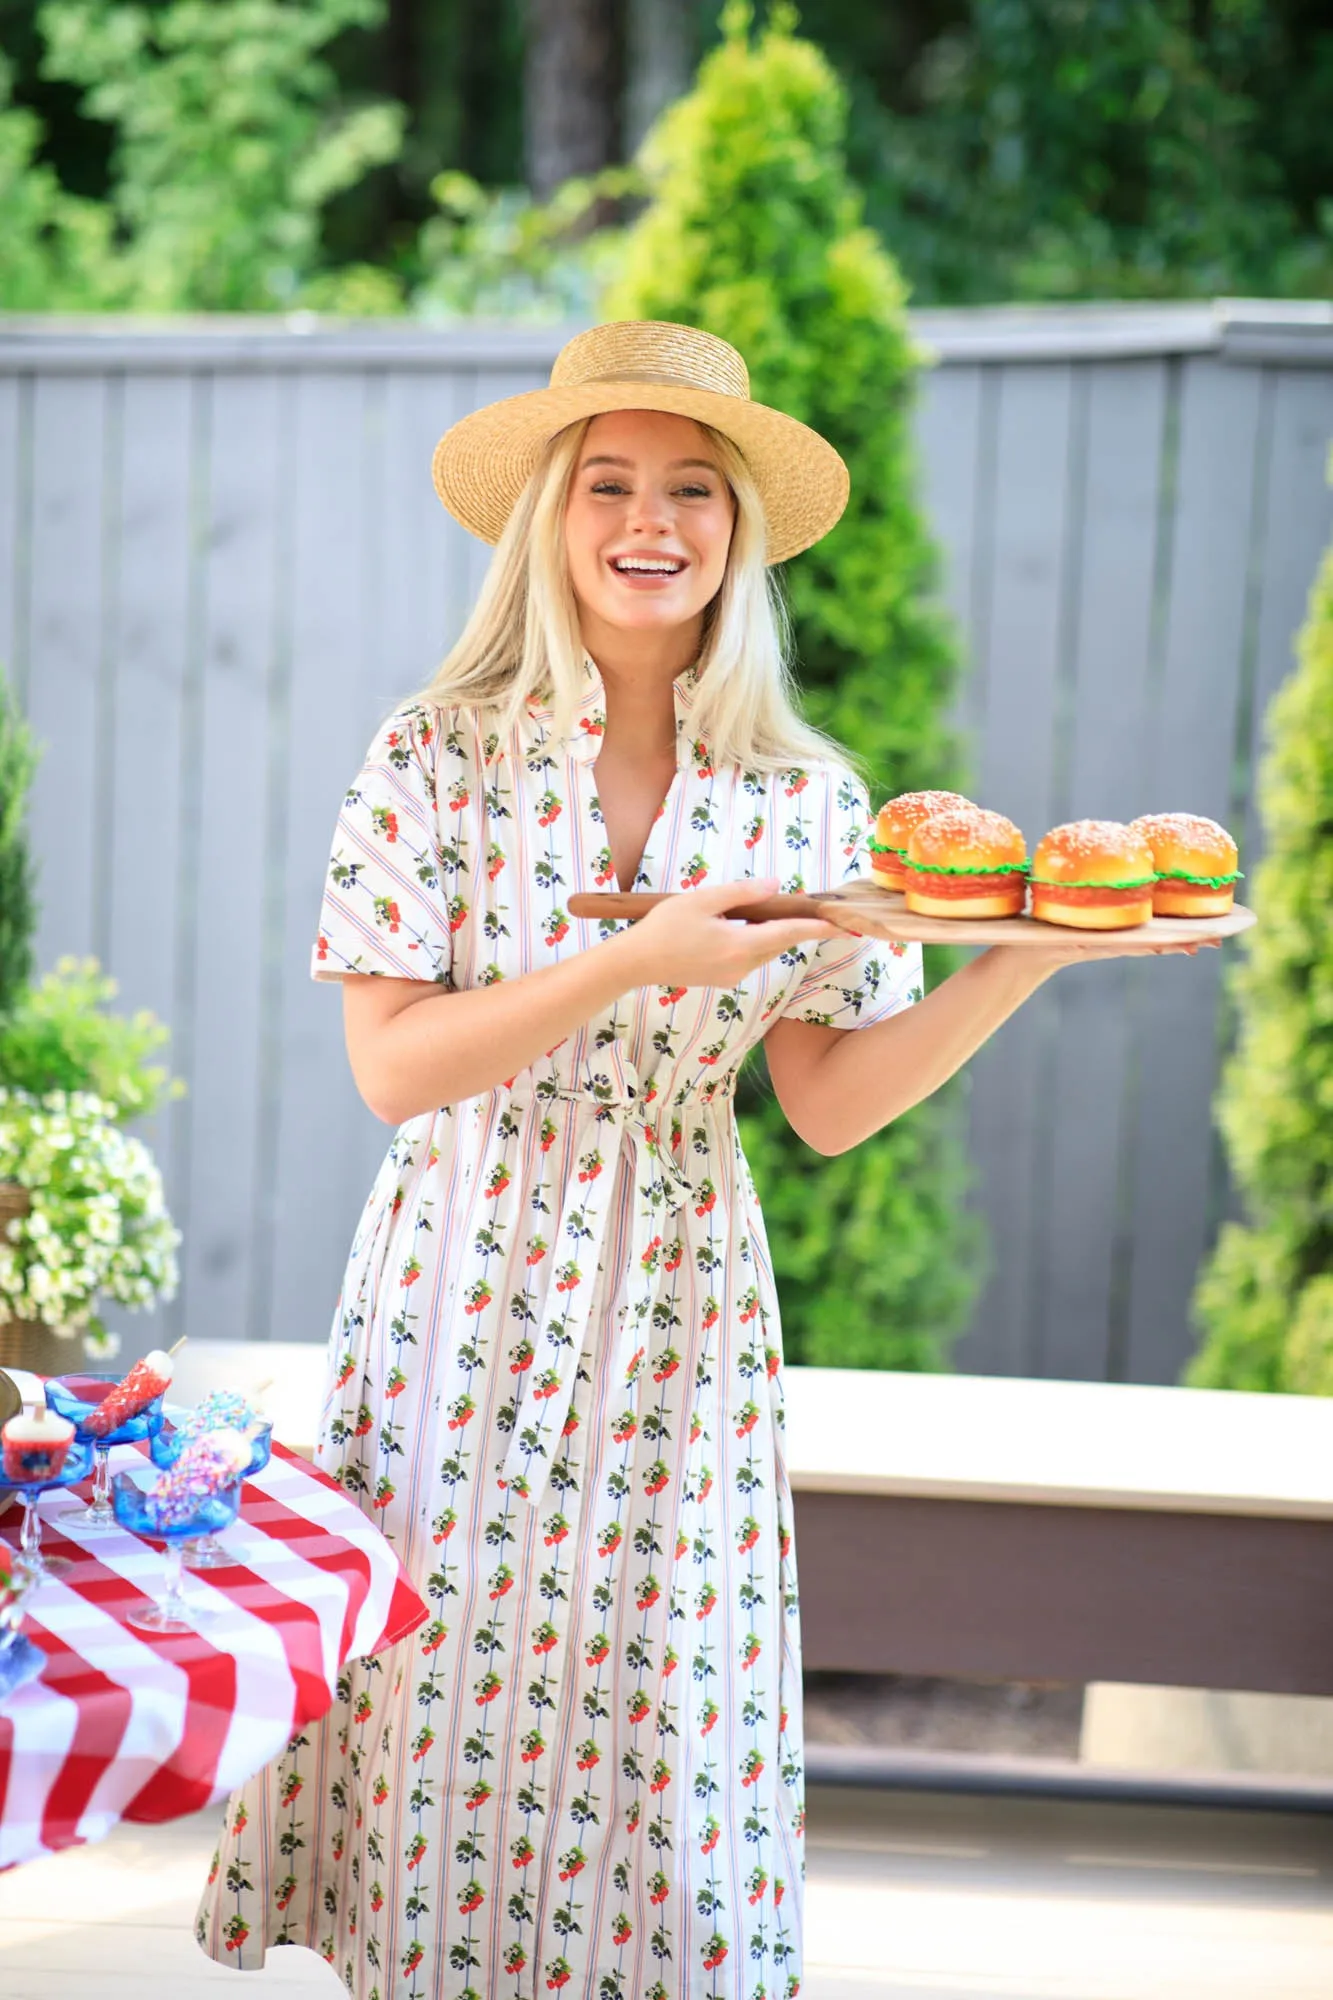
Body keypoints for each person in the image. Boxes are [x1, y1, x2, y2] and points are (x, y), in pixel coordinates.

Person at [196, 320, 1206, 1998]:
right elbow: (393, 1070)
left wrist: (1024, 958)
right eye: (608, 484)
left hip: (681, 1295)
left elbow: (827, 1103)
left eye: (692, 489)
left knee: (664, 1707)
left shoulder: (810, 802)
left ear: (737, 530)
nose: (649, 522)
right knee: (447, 1691)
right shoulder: (432, 755)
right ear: (552, 515)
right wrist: (631, 960)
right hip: (462, 1280)